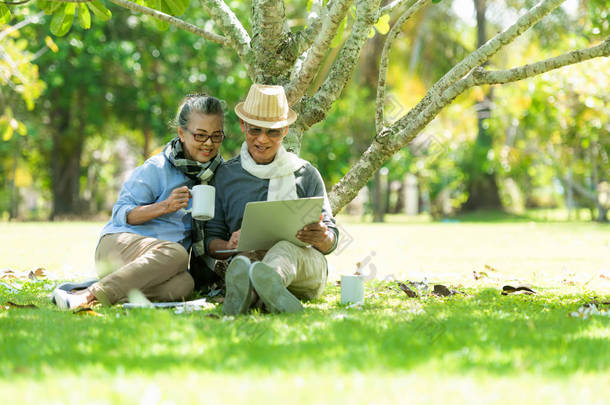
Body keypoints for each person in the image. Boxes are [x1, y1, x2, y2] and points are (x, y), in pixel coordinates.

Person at [53, 94, 226, 309]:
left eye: (216, 136)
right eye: (200, 135)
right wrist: (165, 206)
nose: (208, 143)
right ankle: (89, 295)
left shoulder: (218, 173)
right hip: (119, 247)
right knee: (177, 254)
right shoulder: (158, 168)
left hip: (161, 268)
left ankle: (96, 290)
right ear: (182, 133)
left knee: (185, 284)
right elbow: (122, 212)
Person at [206, 83, 339, 315]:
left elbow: (331, 240)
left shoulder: (306, 174)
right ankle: (264, 295)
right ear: (242, 125)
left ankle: (251, 292)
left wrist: (321, 236)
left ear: (285, 130)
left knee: (284, 248)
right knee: (245, 261)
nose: (262, 140)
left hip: (302, 268)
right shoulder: (226, 175)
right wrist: (228, 245)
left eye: (273, 131)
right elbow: (211, 241)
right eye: (255, 130)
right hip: (248, 258)